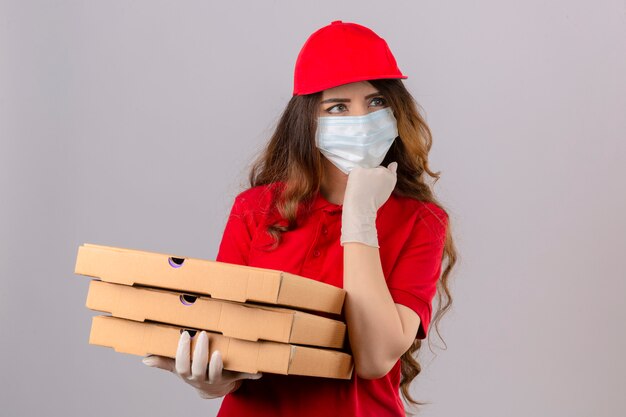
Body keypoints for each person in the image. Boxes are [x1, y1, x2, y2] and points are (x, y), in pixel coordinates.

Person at [142, 20, 458, 416]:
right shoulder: (255, 209)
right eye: (338, 107)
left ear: (396, 110)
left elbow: (376, 358)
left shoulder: (420, 220)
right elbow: (229, 337)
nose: (361, 119)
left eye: (376, 102)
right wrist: (213, 380)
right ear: (308, 120)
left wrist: (360, 215)